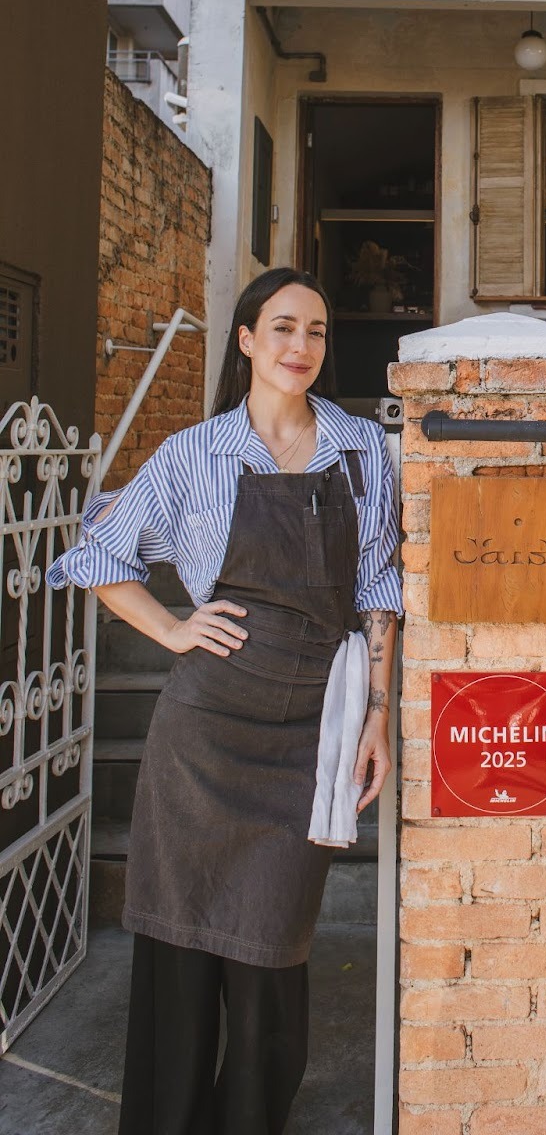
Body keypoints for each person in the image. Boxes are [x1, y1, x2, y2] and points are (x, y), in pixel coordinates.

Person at [47, 267, 401, 1135]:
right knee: (179, 951)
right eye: (282, 328)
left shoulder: (362, 448)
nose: (300, 347)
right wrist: (171, 631)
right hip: (204, 734)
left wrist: (380, 711)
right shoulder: (191, 454)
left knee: (273, 953)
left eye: (316, 332)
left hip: (310, 731)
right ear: (245, 341)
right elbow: (96, 556)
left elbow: (381, 590)